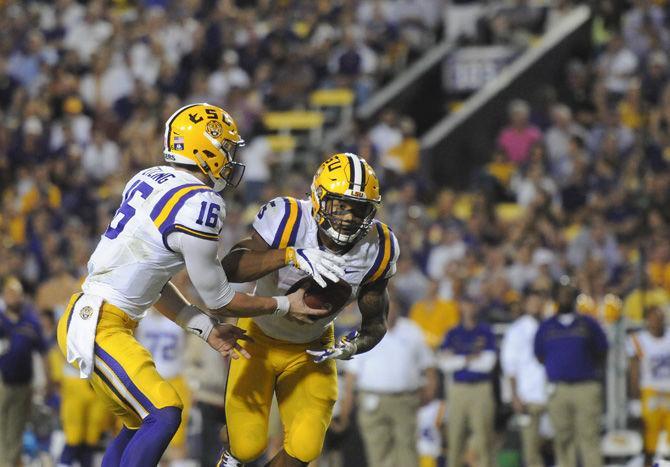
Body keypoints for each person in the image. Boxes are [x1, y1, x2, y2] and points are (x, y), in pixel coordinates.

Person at [56, 103, 335, 466]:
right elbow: (219, 298)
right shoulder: (202, 203)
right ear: (206, 147)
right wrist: (284, 303)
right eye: (227, 149)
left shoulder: (149, 177)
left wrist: (204, 329)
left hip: (97, 316)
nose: (231, 158)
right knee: (165, 412)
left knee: (139, 424)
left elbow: (152, 284)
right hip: (100, 324)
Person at [218, 152, 399, 467]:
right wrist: (289, 255)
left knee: (306, 446)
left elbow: (376, 322)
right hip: (257, 335)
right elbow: (230, 268)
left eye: (358, 210)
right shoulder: (288, 218)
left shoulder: (379, 246)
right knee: (247, 446)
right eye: (340, 206)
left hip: (312, 347)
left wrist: (355, 345)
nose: (347, 218)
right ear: (317, 198)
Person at [340, 300, 438, 467]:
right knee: (377, 450)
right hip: (372, 400)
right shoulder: (363, 331)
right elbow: (351, 373)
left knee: (407, 448)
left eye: (393, 308)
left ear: (399, 310)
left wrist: (431, 389)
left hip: (405, 399)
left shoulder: (412, 330)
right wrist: (346, 405)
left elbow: (428, 363)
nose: (389, 312)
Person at [534, 278, 608, 467]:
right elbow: (539, 355)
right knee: (562, 439)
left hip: (585, 387)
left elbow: (602, 350)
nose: (565, 296)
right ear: (556, 297)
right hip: (559, 388)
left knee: (589, 437)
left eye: (568, 293)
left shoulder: (588, 324)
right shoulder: (546, 326)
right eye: (561, 293)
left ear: (574, 297)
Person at [439, 297, 497, 467]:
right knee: (455, 438)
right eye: (466, 303)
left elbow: (487, 364)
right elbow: (444, 363)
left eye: (472, 304)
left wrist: (457, 360)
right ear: (461, 306)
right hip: (458, 390)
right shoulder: (453, 333)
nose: (469, 308)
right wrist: (469, 358)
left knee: (484, 439)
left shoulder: (486, 332)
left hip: (481, 389)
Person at [0, 276, 51, 467]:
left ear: (22, 296)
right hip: (2, 380)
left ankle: (6, 463)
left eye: (16, 293)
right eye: (9, 293)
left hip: (22, 383)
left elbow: (44, 353)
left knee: (15, 429)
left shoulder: (31, 322)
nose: (12, 297)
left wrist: (48, 380)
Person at [500, 290, 548, 467]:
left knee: (562, 444)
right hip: (528, 395)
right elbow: (509, 366)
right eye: (532, 302)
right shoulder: (517, 330)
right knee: (531, 450)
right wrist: (514, 395)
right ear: (526, 305)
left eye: (539, 302)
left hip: (553, 393)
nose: (536, 306)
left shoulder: (551, 325)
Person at [628, 306, 670, 462]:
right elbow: (634, 372)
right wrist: (634, 399)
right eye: (653, 318)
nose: (657, 322)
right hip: (650, 391)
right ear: (647, 321)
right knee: (649, 443)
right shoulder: (639, 340)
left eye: (660, 318)